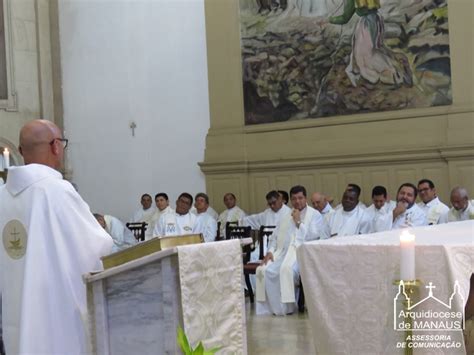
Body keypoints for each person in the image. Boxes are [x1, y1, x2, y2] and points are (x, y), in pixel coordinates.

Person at [0, 119, 113, 354]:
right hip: (55, 313)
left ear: (21, 151)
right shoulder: (57, 191)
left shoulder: (2, 196)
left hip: (13, 313)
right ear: (55, 146)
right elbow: (97, 249)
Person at [256, 185, 329, 316]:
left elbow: (314, 236)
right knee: (263, 269)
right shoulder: (285, 216)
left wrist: (299, 222)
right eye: (294, 199)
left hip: (301, 254)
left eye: (300, 198)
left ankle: (287, 308)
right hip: (281, 253)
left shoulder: (315, 215)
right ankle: (270, 309)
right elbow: (274, 237)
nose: (297, 201)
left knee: (286, 270)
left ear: (305, 198)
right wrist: (270, 251)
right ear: (290, 200)